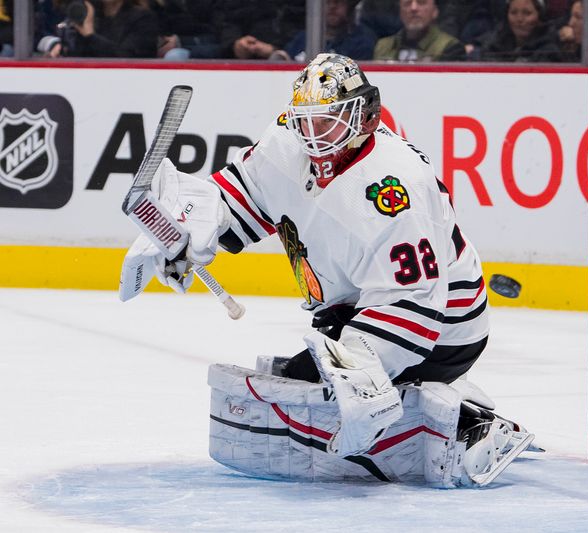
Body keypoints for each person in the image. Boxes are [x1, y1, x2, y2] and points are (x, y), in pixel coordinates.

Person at [121, 53, 536, 486]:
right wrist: (186, 228)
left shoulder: (393, 192)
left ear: (366, 116)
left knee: (319, 403)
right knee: (303, 393)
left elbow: (412, 306)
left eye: (329, 120)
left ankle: (463, 422)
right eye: (306, 120)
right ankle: (437, 400)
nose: (314, 134)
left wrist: (360, 378)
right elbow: (243, 195)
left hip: (444, 330)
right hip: (354, 308)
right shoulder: (286, 141)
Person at [38, 0, 158, 58]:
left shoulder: (144, 19)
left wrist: (90, 35)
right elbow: (79, 58)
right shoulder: (90, 13)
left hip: (132, 86)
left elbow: (126, 58)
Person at [275, 0, 376, 62]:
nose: (332, 7)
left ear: (348, 7)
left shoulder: (361, 41)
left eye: (337, 1)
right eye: (327, 2)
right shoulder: (303, 38)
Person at [373, 0, 465, 62]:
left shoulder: (450, 47)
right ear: (400, 11)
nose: (413, 8)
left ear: (435, 10)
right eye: (407, 3)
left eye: (421, 2)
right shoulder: (383, 46)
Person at [216, 0, 304, 60]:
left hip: (291, 51)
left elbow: (307, 22)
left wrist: (275, 49)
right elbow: (228, 17)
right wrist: (235, 44)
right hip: (242, 55)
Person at [480, 0, 560, 62]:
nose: (519, 19)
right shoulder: (495, 43)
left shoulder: (549, 49)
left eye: (527, 13)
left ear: (540, 16)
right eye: (513, 13)